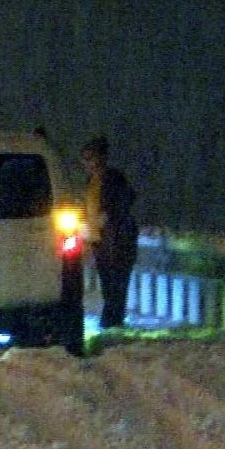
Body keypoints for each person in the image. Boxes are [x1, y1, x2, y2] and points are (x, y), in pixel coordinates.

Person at [81, 136, 139, 330]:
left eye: (90, 158)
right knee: (108, 283)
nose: (87, 163)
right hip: (100, 240)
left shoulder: (113, 178)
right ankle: (111, 320)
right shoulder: (90, 181)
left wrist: (108, 216)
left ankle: (113, 321)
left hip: (117, 240)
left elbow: (126, 199)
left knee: (117, 282)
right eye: (85, 158)